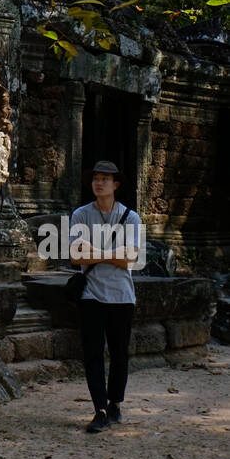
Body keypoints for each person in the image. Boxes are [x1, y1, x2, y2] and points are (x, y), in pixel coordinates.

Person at [69, 160, 144, 434]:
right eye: (95, 178)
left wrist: (95, 252)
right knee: (92, 354)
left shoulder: (131, 218)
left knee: (119, 354)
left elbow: (131, 258)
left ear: (116, 185)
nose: (99, 183)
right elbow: (76, 256)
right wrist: (113, 254)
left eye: (105, 179)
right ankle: (99, 409)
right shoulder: (80, 215)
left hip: (122, 295)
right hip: (91, 293)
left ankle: (115, 404)